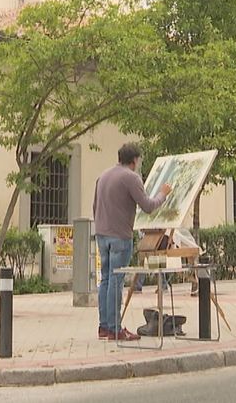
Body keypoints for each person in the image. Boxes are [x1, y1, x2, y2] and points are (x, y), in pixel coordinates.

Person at [94, 142, 171, 341]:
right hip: (120, 235)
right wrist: (163, 193)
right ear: (134, 160)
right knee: (116, 281)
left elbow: (95, 206)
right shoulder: (131, 177)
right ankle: (115, 328)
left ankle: (104, 327)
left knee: (106, 279)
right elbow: (148, 206)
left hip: (102, 234)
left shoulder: (103, 176)